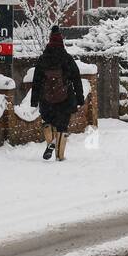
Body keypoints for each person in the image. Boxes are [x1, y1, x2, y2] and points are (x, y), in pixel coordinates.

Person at [34, 27, 85, 161]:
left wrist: (34, 100)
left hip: (46, 100)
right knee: (62, 127)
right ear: (61, 42)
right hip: (65, 99)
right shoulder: (67, 59)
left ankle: (50, 141)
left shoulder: (43, 59)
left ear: (49, 42)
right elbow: (76, 79)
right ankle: (59, 156)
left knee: (48, 122)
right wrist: (80, 98)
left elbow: (36, 81)